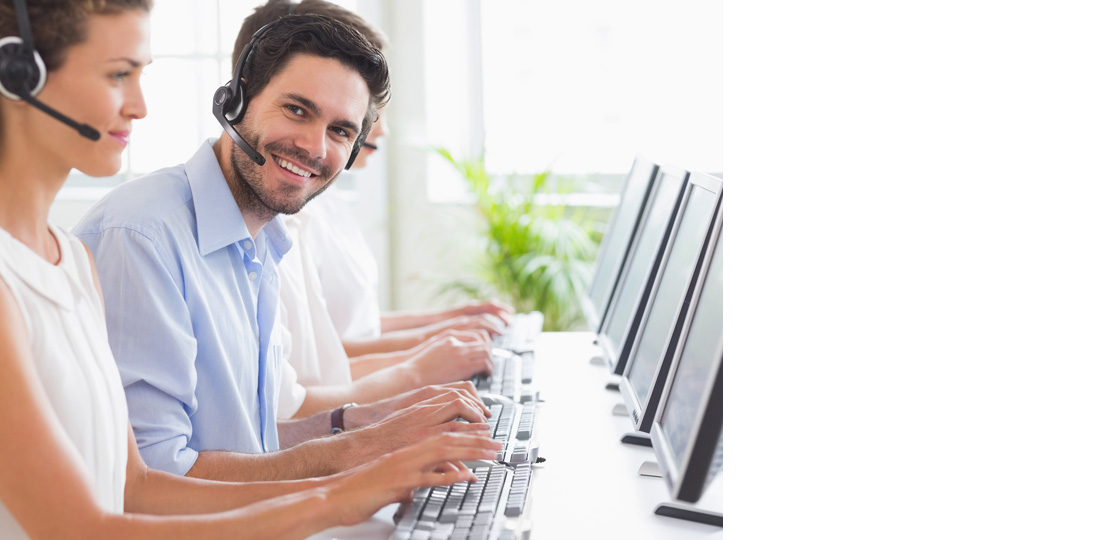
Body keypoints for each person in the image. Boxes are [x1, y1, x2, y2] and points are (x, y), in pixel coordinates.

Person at [0, 1, 500, 537]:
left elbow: (143, 479)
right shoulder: (135, 235)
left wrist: (369, 434)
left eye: (340, 131)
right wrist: (349, 477)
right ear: (234, 98)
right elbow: (105, 513)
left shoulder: (78, 261)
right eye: (119, 74)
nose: (142, 107)